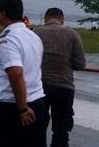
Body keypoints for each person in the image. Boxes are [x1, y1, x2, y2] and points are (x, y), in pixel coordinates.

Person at [0, 0, 49, 147]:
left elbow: (16, 73)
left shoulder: (9, 39)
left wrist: (23, 108)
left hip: (13, 109)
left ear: (3, 13)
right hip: (38, 106)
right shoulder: (33, 36)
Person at [34, 8, 86, 147]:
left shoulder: (35, 34)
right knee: (61, 130)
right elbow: (81, 64)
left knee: (37, 128)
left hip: (39, 88)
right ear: (62, 19)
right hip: (64, 87)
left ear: (45, 19)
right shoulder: (72, 34)